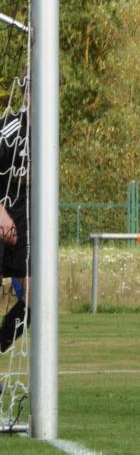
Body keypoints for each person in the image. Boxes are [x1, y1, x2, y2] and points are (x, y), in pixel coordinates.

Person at [0, 106, 29, 354]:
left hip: (25, 223)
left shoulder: (48, 133)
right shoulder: (9, 129)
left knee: (36, 300)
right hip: (2, 216)